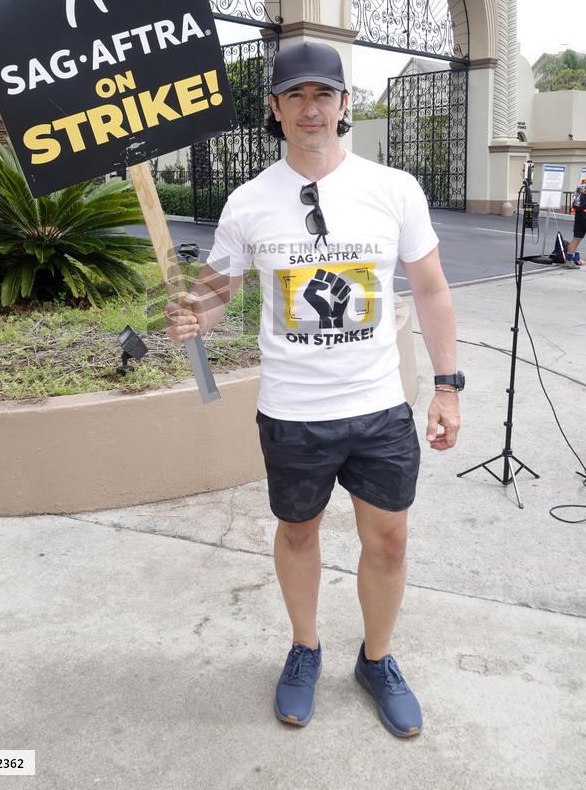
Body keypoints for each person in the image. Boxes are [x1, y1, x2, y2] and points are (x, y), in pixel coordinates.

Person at [164, 41, 462, 738]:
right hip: (293, 413)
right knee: (297, 533)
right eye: (293, 95)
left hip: (378, 407)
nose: (309, 108)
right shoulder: (248, 201)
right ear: (273, 108)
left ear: (344, 104)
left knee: (388, 540)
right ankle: (304, 648)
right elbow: (215, 292)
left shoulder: (393, 190)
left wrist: (448, 387)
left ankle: (377, 659)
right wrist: (191, 312)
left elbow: (431, 289)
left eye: (321, 94)